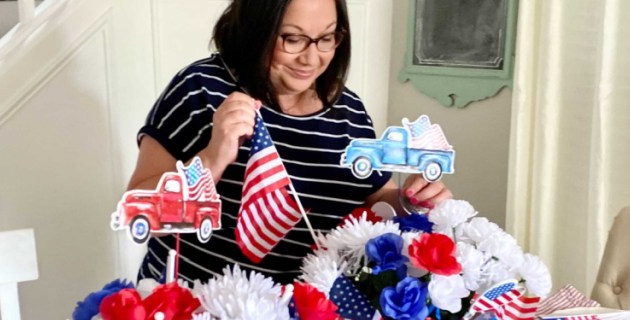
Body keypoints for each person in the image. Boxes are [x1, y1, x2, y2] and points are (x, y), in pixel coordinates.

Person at [130, 0, 452, 284]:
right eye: (293, 39)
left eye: (326, 38)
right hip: (190, 317)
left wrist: (410, 201)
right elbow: (140, 216)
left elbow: (375, 199)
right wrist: (213, 159)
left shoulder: (348, 111)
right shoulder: (200, 88)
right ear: (257, 30)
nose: (311, 59)